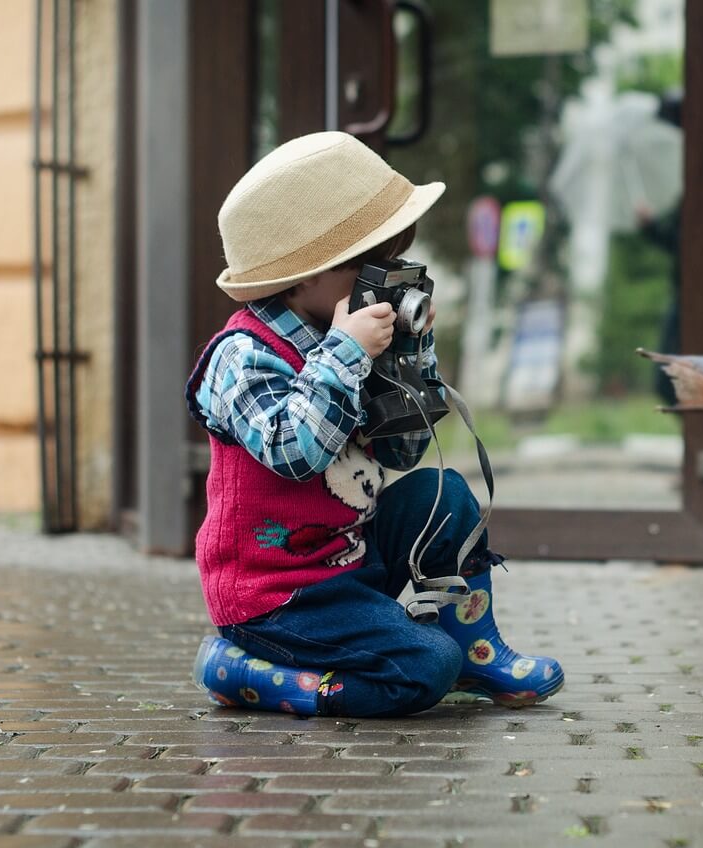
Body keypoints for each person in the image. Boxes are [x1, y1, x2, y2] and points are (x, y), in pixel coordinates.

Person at [186, 132, 564, 717]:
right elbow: (296, 453)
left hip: (348, 560)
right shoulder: (242, 356)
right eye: (373, 265)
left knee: (446, 494)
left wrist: (411, 353)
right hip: (277, 595)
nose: (384, 280)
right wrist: (345, 352)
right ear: (305, 274)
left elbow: (405, 452)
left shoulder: (352, 340)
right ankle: (250, 673)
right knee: (423, 666)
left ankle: (474, 647)